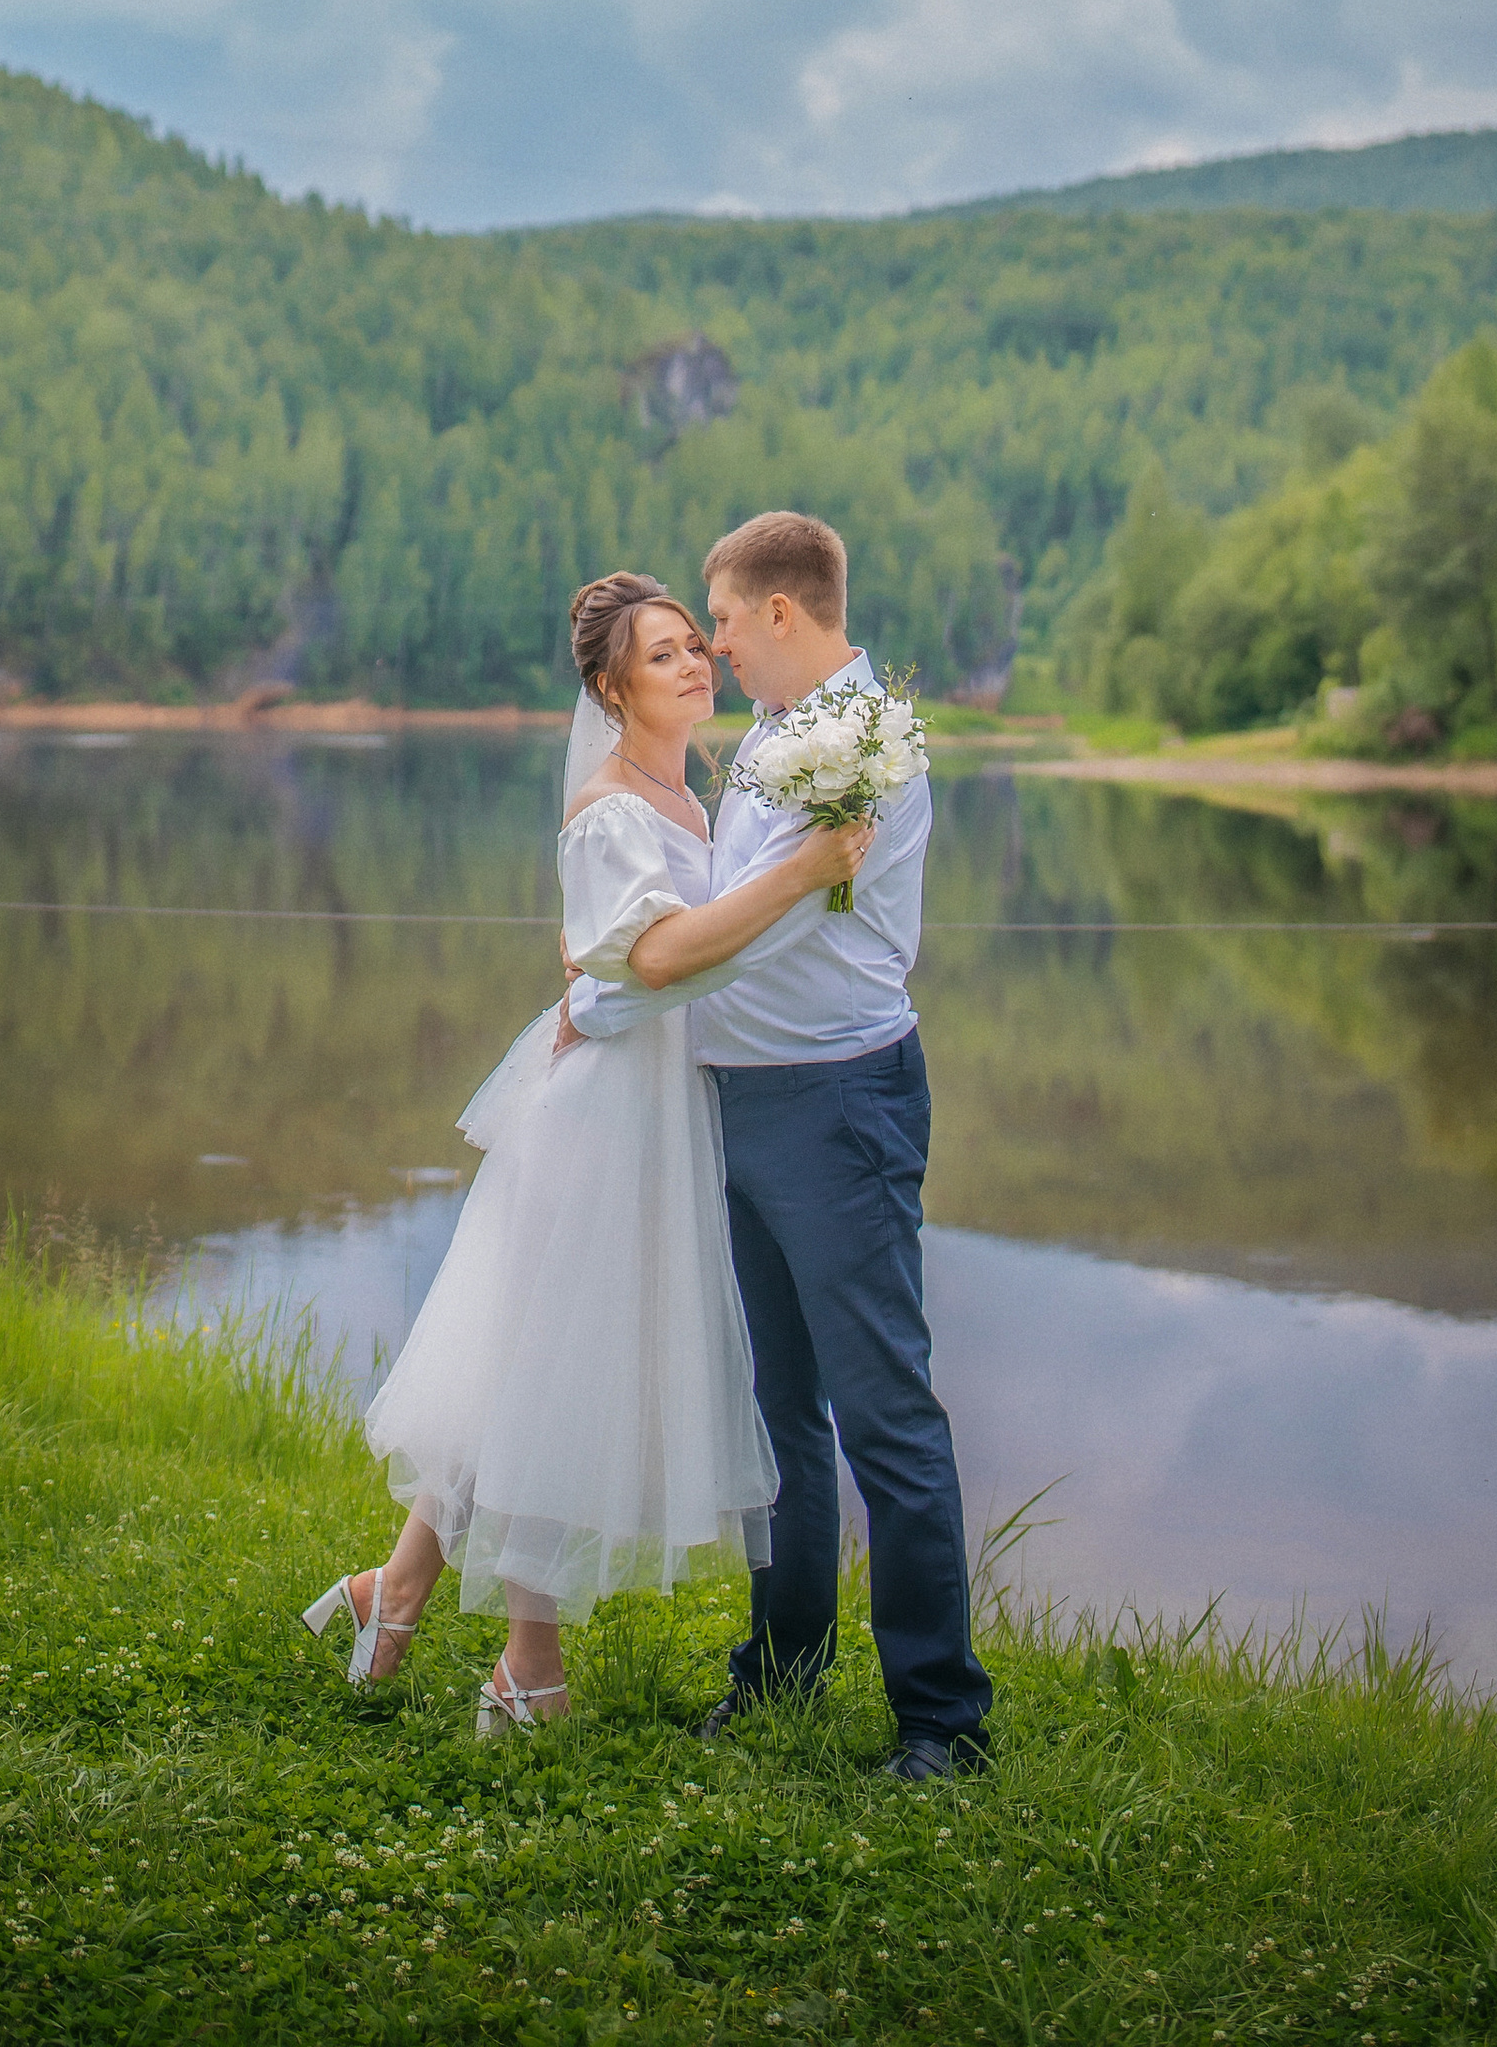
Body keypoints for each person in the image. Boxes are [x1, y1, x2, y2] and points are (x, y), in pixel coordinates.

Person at [301, 570, 870, 1736]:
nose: (692, 664)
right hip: (604, 1123)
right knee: (557, 1377)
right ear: (612, 689)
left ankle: (395, 1591)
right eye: (661, 655)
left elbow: (646, 964)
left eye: (691, 647)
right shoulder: (612, 808)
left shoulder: (693, 807)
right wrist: (795, 878)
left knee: (536, 1368)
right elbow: (650, 967)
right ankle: (527, 1665)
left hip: (661, 1112)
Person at [565, 510, 993, 1780]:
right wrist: (598, 996)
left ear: (784, 615)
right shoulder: (771, 744)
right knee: (781, 1418)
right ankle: (780, 1679)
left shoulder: (863, 743)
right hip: (742, 1098)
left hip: (836, 1102)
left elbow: (761, 931)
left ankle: (941, 1722)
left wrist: (616, 987)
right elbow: (710, 914)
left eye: (729, 627)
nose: (719, 654)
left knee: (883, 1416)